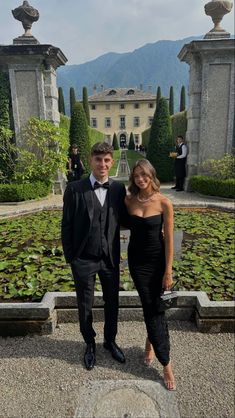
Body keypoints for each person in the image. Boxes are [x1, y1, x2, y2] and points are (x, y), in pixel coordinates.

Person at [61, 142, 127, 370]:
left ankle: (110, 340)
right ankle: (89, 343)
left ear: (112, 162)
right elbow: (66, 226)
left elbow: (126, 220)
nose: (103, 164)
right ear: (91, 160)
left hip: (109, 259)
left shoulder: (118, 189)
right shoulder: (74, 189)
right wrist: (72, 258)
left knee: (113, 302)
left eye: (107, 160)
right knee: (85, 304)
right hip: (83, 259)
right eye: (98, 159)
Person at [125, 159, 176, 391]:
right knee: (151, 307)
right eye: (137, 176)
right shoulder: (129, 200)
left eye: (144, 175)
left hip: (157, 263)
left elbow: (170, 242)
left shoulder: (164, 202)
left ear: (151, 175)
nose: (141, 179)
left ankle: (158, 353)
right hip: (137, 263)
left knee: (154, 309)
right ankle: (163, 359)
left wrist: (168, 270)